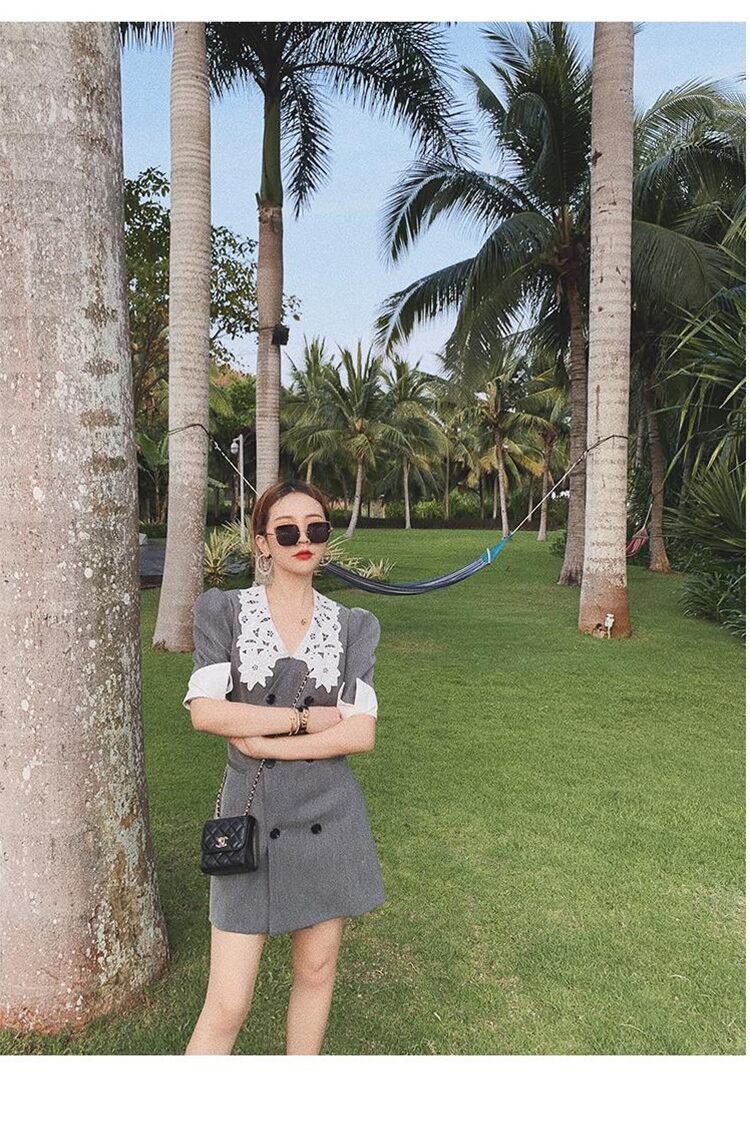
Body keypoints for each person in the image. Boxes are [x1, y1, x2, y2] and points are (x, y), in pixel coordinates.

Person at [183, 479, 384, 1055]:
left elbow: (360, 732)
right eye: (287, 530)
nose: (303, 540)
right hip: (248, 822)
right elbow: (205, 712)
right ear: (262, 542)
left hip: (330, 817)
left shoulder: (353, 625)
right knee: (228, 1002)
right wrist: (305, 721)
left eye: (315, 528)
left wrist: (266, 742)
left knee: (316, 974)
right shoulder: (225, 611)